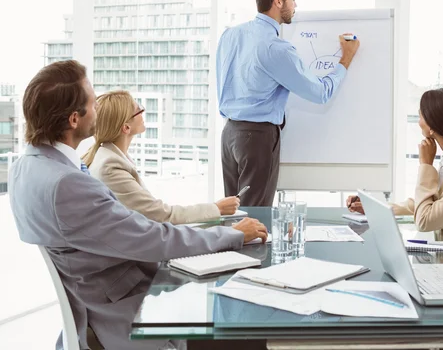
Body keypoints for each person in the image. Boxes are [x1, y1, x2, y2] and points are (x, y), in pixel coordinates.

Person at [9, 60, 268, 350]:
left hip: (101, 295)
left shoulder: (26, 168)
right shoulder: (67, 185)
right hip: (126, 312)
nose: (98, 109)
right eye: (93, 103)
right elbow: (152, 236)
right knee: (246, 330)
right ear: (73, 119)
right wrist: (232, 235)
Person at [217, 0, 360, 206]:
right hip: (256, 140)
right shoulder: (276, 48)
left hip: (229, 135)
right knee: (254, 219)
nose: (295, 4)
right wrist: (346, 59)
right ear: (278, 0)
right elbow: (320, 92)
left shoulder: (229, 36)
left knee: (233, 216)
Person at [347, 89, 443, 242]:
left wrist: (425, 165)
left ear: (432, 126)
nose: (418, 121)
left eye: (420, 115)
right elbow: (429, 204)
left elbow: (425, 220)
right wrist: (373, 208)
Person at [83, 90, 239, 224]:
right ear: (126, 127)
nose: (143, 112)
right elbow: (161, 215)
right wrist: (216, 208)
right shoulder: (110, 166)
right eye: (138, 110)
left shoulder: (106, 156)